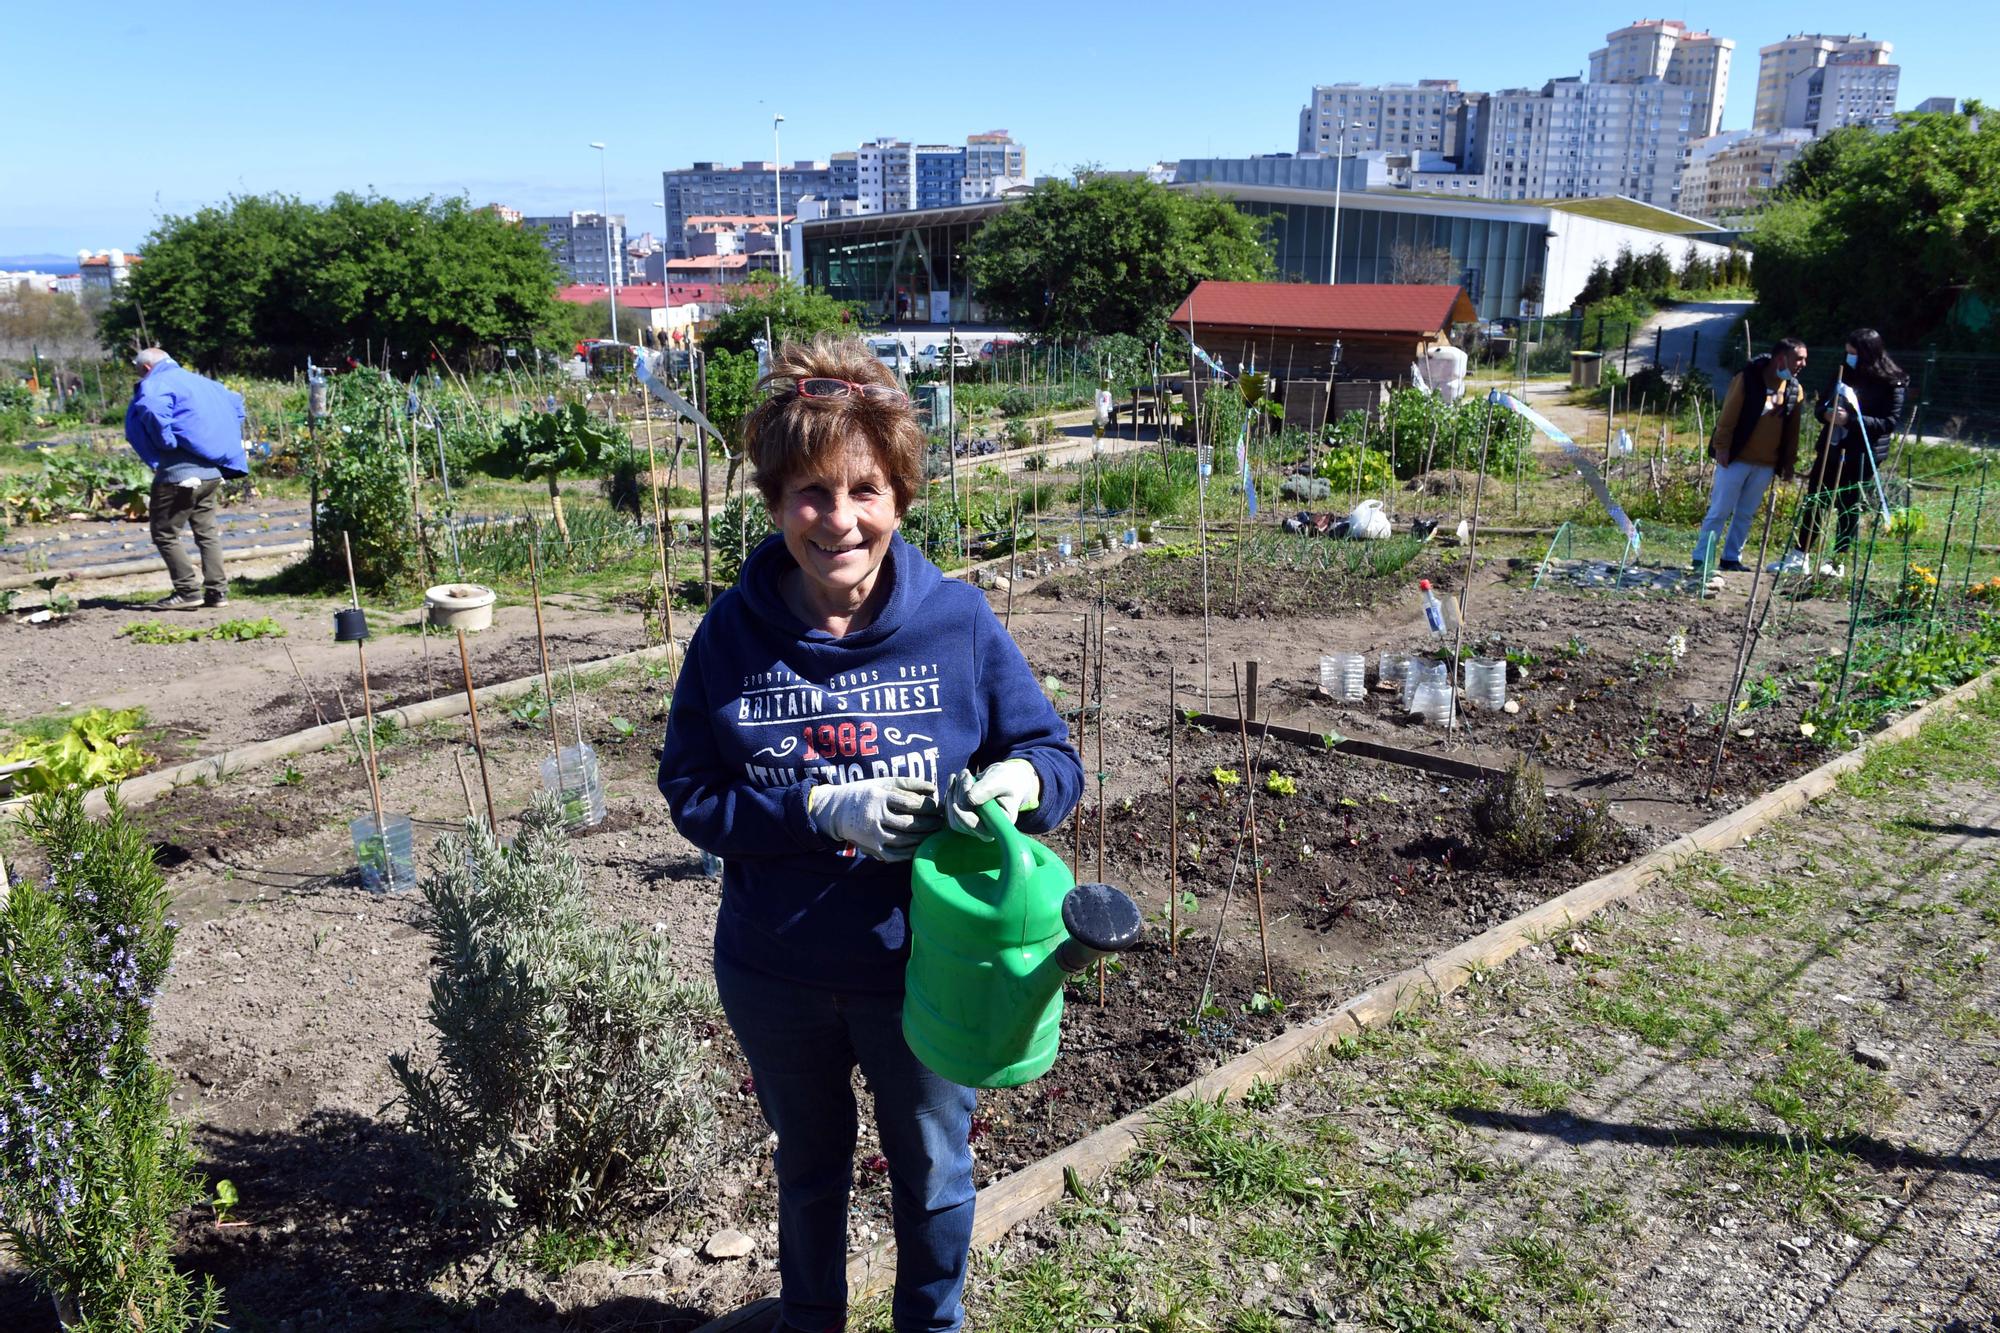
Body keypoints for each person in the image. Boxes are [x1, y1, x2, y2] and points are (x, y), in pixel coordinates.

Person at [658, 336, 1083, 1333]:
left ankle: (929, 1324)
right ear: (771, 503)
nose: (837, 519)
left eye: (862, 490)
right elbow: (689, 790)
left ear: (898, 495)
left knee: (934, 1170)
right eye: (808, 492)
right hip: (778, 966)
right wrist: (812, 808)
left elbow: (1052, 756)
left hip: (927, 971)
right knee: (807, 1169)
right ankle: (812, 1321)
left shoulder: (958, 624)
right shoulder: (730, 636)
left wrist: (1020, 780)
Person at [1772, 328, 1908, 576]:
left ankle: (1837, 562)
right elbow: (1822, 402)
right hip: (1831, 448)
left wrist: (1851, 420)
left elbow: (1889, 422)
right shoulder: (1844, 372)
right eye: (1847, 353)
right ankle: (1800, 556)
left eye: (1853, 354)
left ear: (1868, 354)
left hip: (1862, 454)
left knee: (1848, 506)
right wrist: (1825, 413)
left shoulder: (1892, 382)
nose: (1849, 358)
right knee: (1816, 500)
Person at [123, 347, 248, 609]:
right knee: (207, 533)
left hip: (178, 474)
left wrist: (165, 441)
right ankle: (217, 592)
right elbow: (237, 406)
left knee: (165, 533)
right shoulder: (207, 384)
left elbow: (150, 407)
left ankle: (187, 590)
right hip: (211, 474)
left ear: (146, 368)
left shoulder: (156, 382)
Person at [1690, 337, 1809, 575]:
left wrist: (1788, 462)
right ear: (1781, 358)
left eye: (1805, 359)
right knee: (1720, 510)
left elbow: (1792, 431)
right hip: (1735, 458)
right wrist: (1721, 446)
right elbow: (1729, 414)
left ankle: (1731, 557)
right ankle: (1702, 557)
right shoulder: (1747, 379)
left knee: (1746, 513)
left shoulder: (1794, 390)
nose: (1803, 364)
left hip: (1765, 463)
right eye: (1799, 358)